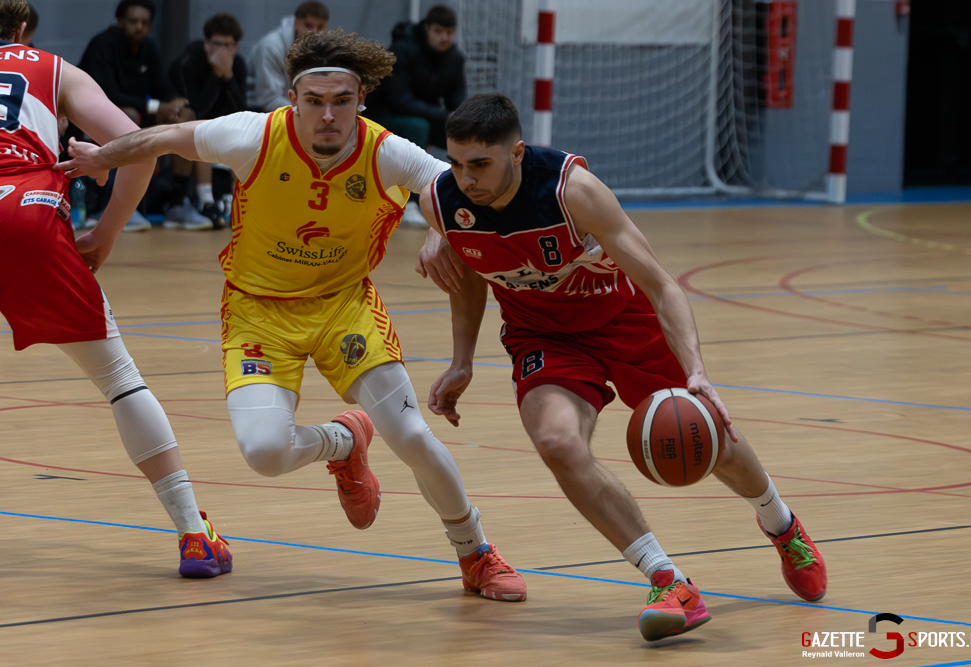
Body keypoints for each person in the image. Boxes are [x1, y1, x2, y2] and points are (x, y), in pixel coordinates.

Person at [58, 30, 527, 603]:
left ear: (361, 100)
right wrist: (102, 156)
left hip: (344, 307)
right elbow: (165, 137)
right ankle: (343, 442)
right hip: (257, 313)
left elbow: (449, 187)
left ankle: (475, 552)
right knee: (264, 453)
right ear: (292, 99)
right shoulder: (254, 136)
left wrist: (438, 229)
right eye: (315, 101)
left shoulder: (385, 152)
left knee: (410, 435)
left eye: (342, 101)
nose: (328, 115)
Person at [415, 94, 827, 641]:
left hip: (624, 319)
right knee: (557, 443)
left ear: (516, 153)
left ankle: (782, 525)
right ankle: (668, 580)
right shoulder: (441, 201)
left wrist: (696, 372)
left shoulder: (574, 192)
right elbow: (469, 272)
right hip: (544, 336)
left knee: (712, 441)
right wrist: (462, 360)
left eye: (479, 164)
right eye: (456, 163)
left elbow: (660, 283)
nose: (465, 179)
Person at [0, 0, 232, 578]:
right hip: (26, 214)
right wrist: (104, 231)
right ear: (23, 29)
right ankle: (193, 535)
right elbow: (139, 146)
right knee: (119, 380)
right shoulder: (54, 69)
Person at [79, 0, 212, 231]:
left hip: (137, 116)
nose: (139, 27)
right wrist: (156, 107)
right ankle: (114, 206)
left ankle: (178, 204)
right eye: (133, 21)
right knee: (127, 117)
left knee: (186, 116)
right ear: (121, 22)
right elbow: (108, 94)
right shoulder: (102, 45)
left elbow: (162, 85)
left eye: (144, 22)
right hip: (91, 121)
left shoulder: (149, 48)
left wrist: (174, 102)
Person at [365, 5, 467, 227]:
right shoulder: (402, 49)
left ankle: (468, 195)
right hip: (381, 115)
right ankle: (410, 203)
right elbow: (399, 100)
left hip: (423, 116)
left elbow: (457, 102)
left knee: (464, 132)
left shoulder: (455, 58)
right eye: (438, 31)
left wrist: (462, 119)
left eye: (449, 32)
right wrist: (443, 115)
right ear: (427, 28)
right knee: (418, 127)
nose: (444, 37)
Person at [169, 13, 247, 227]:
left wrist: (228, 76)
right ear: (206, 43)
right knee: (201, 129)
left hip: (227, 125)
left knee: (243, 133)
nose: (222, 51)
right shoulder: (189, 61)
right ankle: (206, 202)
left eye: (227, 45)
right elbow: (197, 108)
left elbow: (242, 110)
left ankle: (240, 203)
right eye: (216, 44)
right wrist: (215, 75)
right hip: (195, 124)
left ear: (236, 47)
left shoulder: (238, 65)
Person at [248, 1, 328, 113]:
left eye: (320, 27)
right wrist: (310, 111)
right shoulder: (271, 47)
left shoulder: (320, 48)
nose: (315, 33)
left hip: (293, 109)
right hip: (257, 112)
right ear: (296, 24)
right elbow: (269, 101)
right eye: (308, 26)